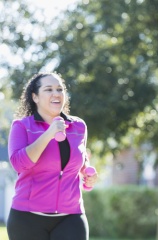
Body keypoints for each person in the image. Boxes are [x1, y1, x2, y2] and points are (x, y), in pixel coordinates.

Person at [6, 72, 98, 240]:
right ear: (35, 97)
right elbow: (19, 164)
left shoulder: (78, 126)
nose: (56, 94)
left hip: (71, 216)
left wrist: (87, 172)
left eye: (60, 89)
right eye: (48, 89)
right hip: (27, 218)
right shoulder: (21, 126)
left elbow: (79, 159)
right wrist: (49, 134)